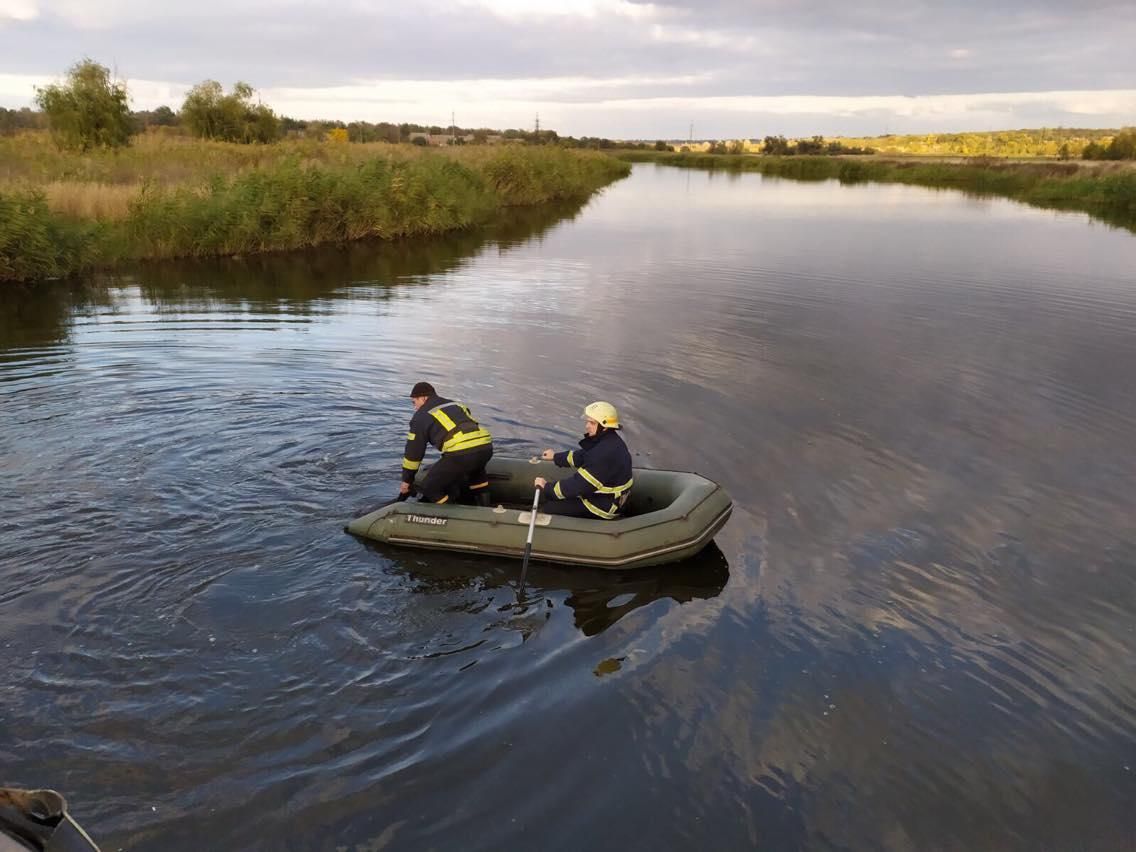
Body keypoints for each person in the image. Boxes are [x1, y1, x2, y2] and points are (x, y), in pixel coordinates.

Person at [534, 401, 633, 519]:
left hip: (602, 506)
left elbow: (579, 485)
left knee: (549, 508)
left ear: (604, 426)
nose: (587, 426)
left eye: (592, 423)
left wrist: (547, 488)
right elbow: (583, 456)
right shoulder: (610, 440)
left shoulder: (604, 453)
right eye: (587, 421)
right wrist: (556, 457)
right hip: (608, 498)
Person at [400, 382, 493, 505]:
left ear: (423, 398)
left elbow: (413, 453)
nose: (415, 407)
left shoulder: (420, 416)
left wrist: (407, 480)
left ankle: (453, 516)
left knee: (429, 487)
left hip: (461, 453)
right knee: (476, 473)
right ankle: (484, 510)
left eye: (414, 402)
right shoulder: (455, 404)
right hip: (486, 447)